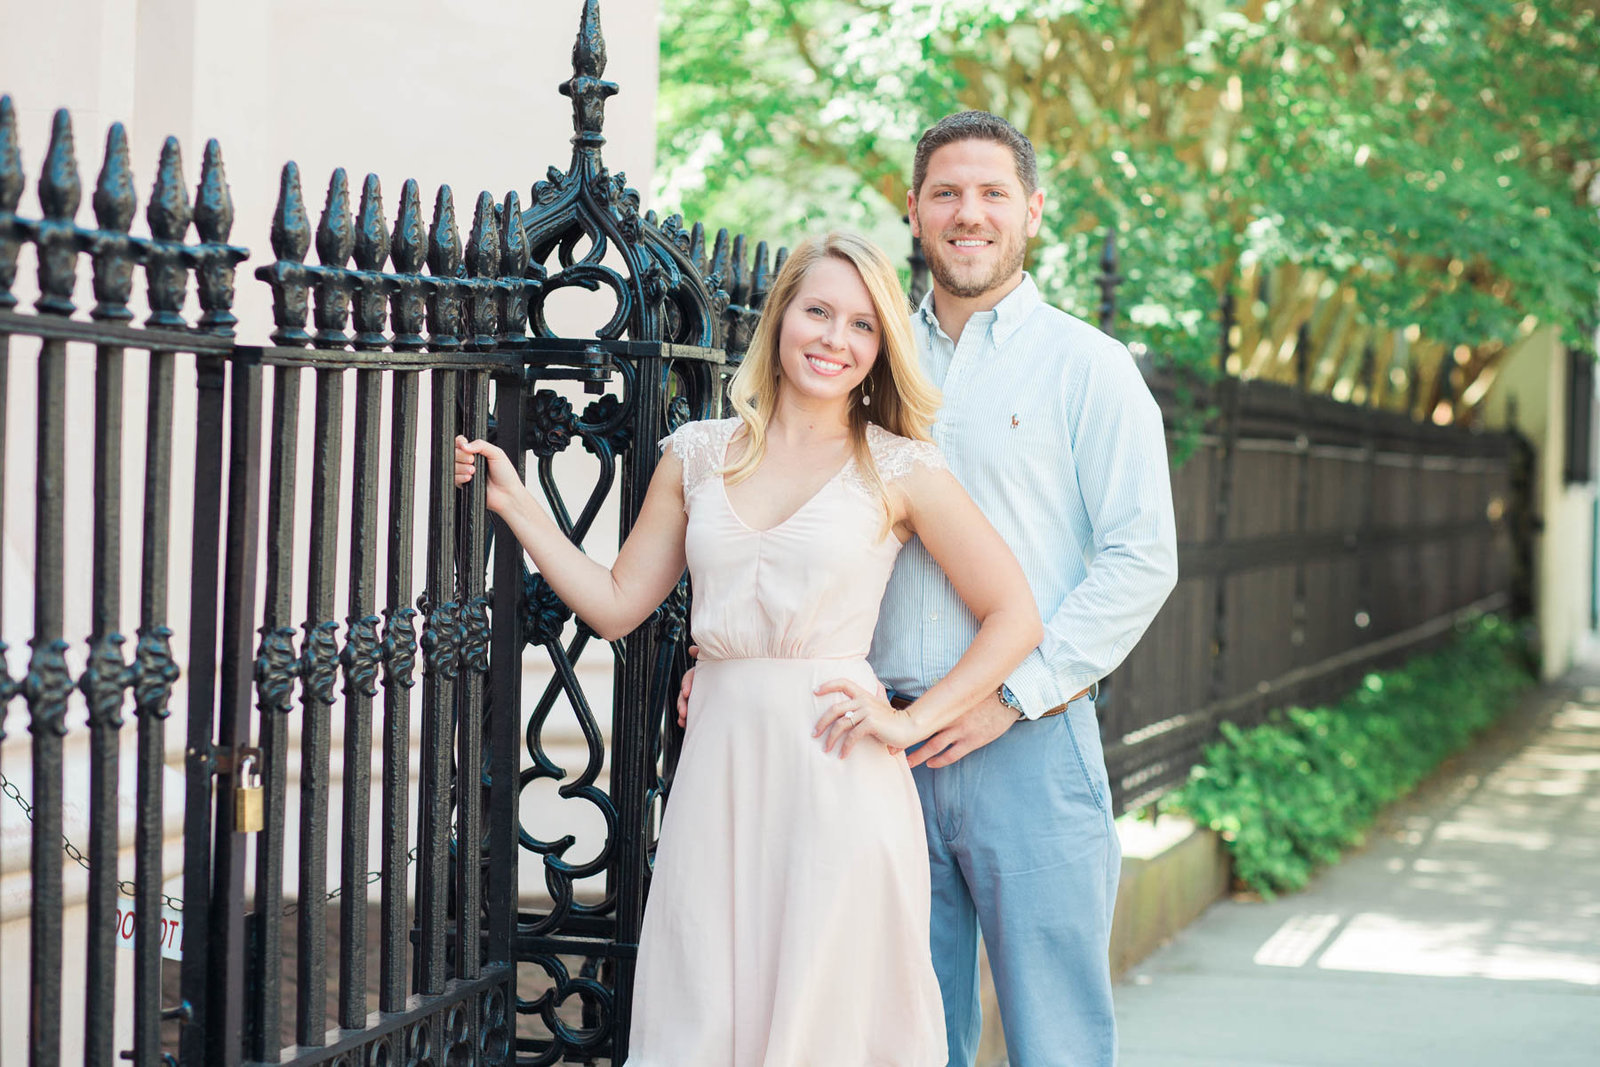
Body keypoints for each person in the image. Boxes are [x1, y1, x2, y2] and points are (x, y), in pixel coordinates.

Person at [455, 231, 1042, 1066]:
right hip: (720, 773)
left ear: (881, 349)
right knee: (704, 1003)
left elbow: (1015, 612)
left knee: (826, 1019)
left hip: (837, 777)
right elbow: (619, 605)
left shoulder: (899, 466)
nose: (835, 339)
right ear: (780, 318)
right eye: (818, 312)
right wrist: (521, 509)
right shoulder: (697, 453)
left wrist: (914, 723)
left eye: (862, 325)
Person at [882, 111, 1179, 1065]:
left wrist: (1013, 693)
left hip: (1036, 747)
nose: (970, 214)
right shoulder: (869, 361)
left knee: (1057, 1041)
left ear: (1033, 212)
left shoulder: (1089, 367)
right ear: (915, 209)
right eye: (948, 193)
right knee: (911, 1036)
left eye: (993, 193)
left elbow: (1142, 558)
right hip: (884, 749)